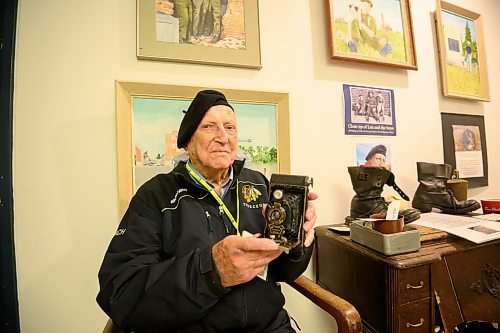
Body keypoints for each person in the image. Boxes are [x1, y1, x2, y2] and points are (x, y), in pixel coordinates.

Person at [97, 90, 318, 332]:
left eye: (230, 127)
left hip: (269, 327)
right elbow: (120, 291)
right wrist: (212, 272)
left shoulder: (259, 184)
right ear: (188, 142)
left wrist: (297, 240)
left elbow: (284, 270)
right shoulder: (155, 195)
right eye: (209, 126)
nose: (223, 137)